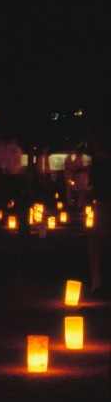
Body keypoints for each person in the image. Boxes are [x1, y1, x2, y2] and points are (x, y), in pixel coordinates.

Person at [86, 122, 111, 298]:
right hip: (103, 202)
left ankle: (97, 281)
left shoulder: (100, 164)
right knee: (99, 239)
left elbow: (93, 185)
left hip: (103, 202)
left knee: (98, 240)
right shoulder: (100, 164)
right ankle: (98, 282)